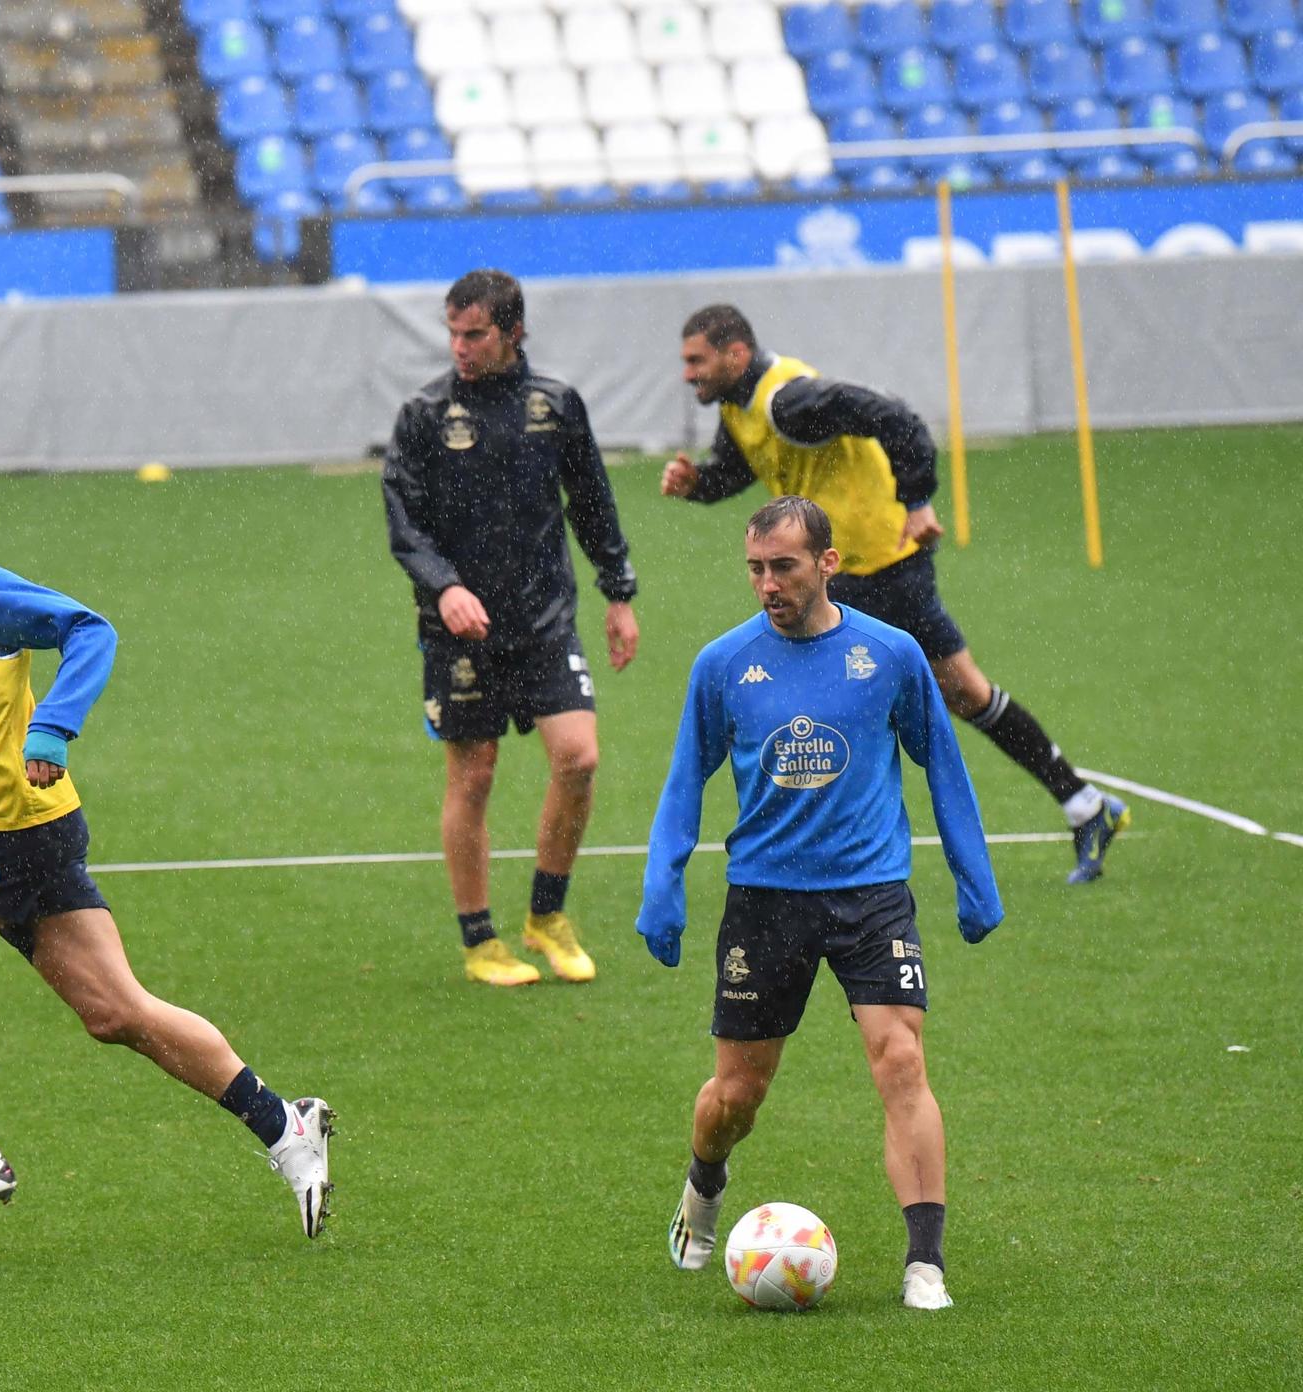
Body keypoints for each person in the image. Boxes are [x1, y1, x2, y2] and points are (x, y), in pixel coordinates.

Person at [0, 445, 335, 1237]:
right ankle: (283, 1124)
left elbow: (89, 629)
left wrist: (53, 728)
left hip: (6, 819)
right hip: (17, 825)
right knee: (117, 1011)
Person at [636, 496, 1004, 1310]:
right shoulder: (723, 664)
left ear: (828, 563)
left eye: (785, 567)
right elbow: (682, 780)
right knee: (737, 1096)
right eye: (757, 569)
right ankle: (704, 1184)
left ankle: (924, 1262)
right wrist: (663, 885)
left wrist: (976, 879)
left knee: (901, 1060)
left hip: (871, 894)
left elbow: (941, 762)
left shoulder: (893, 654)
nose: (768, 583)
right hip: (766, 900)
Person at [662, 303, 1129, 884]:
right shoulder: (741, 405)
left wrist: (917, 499)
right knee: (916, 693)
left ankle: (1077, 807)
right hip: (841, 571)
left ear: (734, 354)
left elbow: (895, 416)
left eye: (696, 361)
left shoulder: (791, 400)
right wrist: (698, 484)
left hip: (882, 567)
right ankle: (1083, 805)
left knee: (915, 695)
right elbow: (737, 470)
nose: (688, 374)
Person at [382, 268, 642, 988]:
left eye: (475, 334)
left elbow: (592, 502)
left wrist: (618, 594)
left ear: (513, 331)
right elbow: (404, 525)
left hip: (544, 620)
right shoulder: (424, 414)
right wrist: (446, 588)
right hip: (459, 629)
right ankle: (480, 940)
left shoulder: (555, 405)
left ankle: (547, 915)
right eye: (453, 333)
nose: (460, 348)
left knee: (579, 758)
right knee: (475, 774)